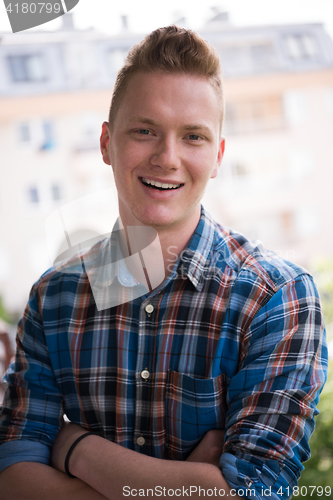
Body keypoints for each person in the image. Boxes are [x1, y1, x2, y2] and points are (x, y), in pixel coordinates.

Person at [0, 26, 328, 500]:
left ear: (216, 156)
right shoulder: (54, 298)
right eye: (145, 131)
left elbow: (249, 492)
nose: (167, 157)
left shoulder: (276, 298)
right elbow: (12, 478)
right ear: (106, 144)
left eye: (192, 137)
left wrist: (75, 449)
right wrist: (181, 486)